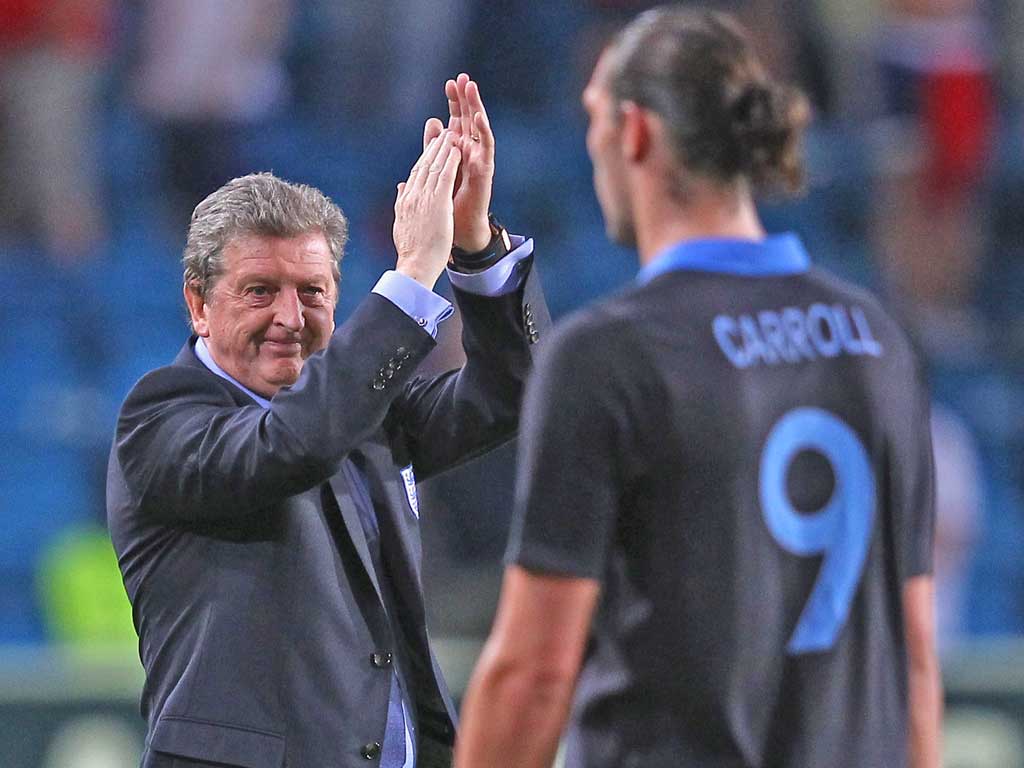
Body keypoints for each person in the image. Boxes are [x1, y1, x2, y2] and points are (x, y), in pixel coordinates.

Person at [455, 9, 942, 768]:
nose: (590, 147)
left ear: (637, 132)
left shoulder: (607, 354)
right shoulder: (875, 337)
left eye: (594, 119)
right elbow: (911, 657)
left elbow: (533, 675)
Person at [107, 74, 549, 768]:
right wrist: (411, 272)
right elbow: (294, 444)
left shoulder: (367, 413)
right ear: (199, 305)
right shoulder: (159, 421)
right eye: (259, 291)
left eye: (311, 292)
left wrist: (473, 248)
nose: (289, 318)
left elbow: (516, 392)